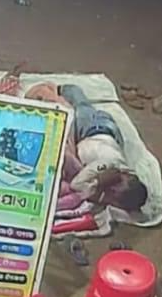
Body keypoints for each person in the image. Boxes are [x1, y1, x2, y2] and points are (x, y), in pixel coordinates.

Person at [57, 84, 148, 213]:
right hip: (93, 127)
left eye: (115, 195)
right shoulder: (108, 165)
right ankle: (66, 88)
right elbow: (76, 184)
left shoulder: (114, 182)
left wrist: (100, 190)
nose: (113, 191)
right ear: (125, 176)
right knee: (79, 106)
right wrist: (99, 188)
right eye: (118, 187)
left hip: (106, 137)